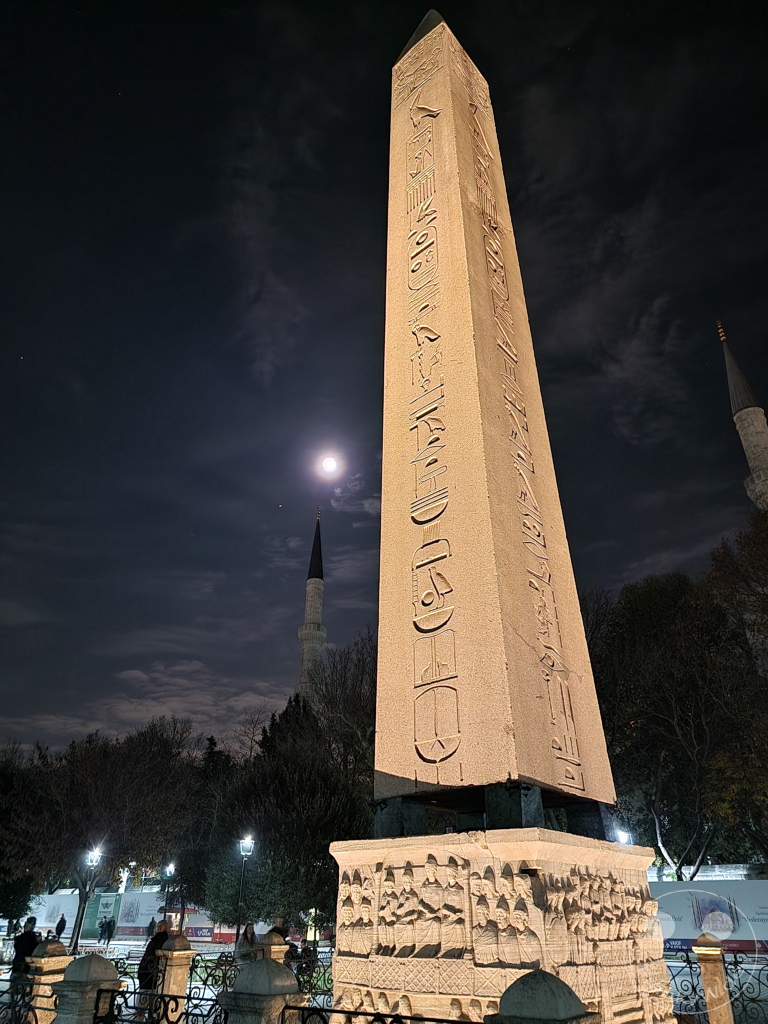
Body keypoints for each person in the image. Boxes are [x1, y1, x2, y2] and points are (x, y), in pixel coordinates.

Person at [137, 919, 169, 1017]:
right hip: (150, 975)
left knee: (143, 1005)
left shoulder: (161, 940)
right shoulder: (159, 939)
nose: (158, 928)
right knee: (151, 1006)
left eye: (161, 926)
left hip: (150, 975)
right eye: (158, 925)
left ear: (166, 928)